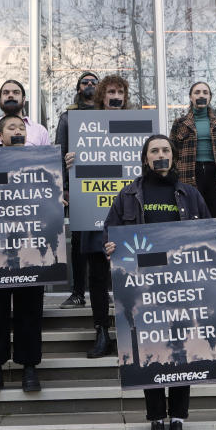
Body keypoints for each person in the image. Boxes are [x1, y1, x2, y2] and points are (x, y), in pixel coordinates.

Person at [102, 134, 216, 430]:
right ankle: (156, 427)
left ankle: (177, 427)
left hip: (182, 289)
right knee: (151, 355)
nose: (160, 155)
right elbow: (111, 232)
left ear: (173, 157)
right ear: (146, 158)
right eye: (154, 151)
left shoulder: (190, 194)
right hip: (145, 291)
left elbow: (207, 234)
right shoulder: (129, 196)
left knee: (183, 355)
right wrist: (111, 248)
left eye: (165, 150)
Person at [0, 115, 47, 394]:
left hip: (30, 244)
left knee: (30, 307)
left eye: (21, 127)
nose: (17, 131)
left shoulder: (39, 161)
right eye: (11, 128)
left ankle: (29, 366)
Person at [76, 75, 132, 358]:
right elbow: (75, 171)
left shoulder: (137, 126)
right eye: (110, 91)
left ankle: (131, 332)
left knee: (129, 274)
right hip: (94, 214)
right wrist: (71, 163)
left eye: (120, 91)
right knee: (97, 278)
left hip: (129, 216)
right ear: (101, 96)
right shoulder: (85, 128)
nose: (115, 96)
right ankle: (101, 332)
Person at [56, 71, 98, 309]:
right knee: (80, 243)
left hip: (108, 188)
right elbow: (60, 153)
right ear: (78, 87)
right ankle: (78, 292)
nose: (90, 84)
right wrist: (64, 187)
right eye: (85, 82)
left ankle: (105, 290)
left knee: (108, 243)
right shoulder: (68, 117)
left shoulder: (108, 114)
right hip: (79, 189)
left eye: (94, 82)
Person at [170, 81, 216, 219]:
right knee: (192, 217)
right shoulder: (179, 123)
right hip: (189, 174)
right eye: (197, 92)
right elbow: (172, 152)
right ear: (191, 97)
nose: (201, 95)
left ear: (210, 97)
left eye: (205, 92)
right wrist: (177, 171)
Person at [0, 80, 50, 147]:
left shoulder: (40, 131)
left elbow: (47, 162)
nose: (10, 95)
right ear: (0, 99)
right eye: (6, 93)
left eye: (16, 92)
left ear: (23, 99)